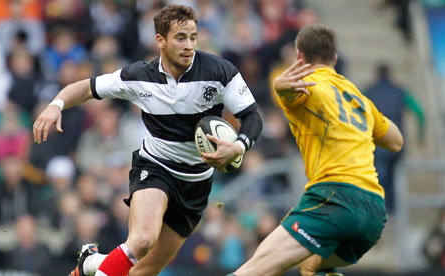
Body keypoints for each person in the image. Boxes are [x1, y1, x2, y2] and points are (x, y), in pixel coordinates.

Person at [32, 5, 262, 276]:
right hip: (155, 168)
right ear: (160, 41)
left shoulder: (220, 71)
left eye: (193, 37)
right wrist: (56, 105)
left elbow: (252, 117)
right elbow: (84, 88)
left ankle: (91, 263)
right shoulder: (138, 76)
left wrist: (238, 145)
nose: (188, 45)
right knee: (142, 240)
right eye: (180, 37)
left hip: (196, 184)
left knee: (142, 272)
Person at [229, 24, 403, 276]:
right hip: (373, 212)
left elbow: (288, 91)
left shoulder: (306, 84)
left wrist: (279, 86)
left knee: (253, 270)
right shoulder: (358, 98)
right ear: (334, 58)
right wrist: (372, 119)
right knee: (312, 266)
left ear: (299, 56)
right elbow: (396, 141)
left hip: (334, 198)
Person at [365, 63, 425, 214]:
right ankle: (393, 212)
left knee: (380, 177)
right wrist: (420, 136)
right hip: (397, 143)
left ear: (377, 74)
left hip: (377, 144)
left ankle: (381, 212)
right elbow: (419, 113)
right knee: (393, 178)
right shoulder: (401, 92)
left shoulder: (369, 92)